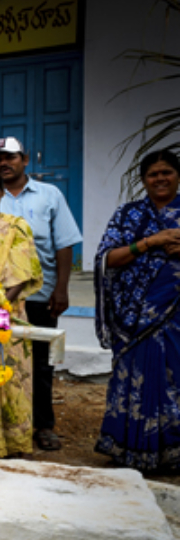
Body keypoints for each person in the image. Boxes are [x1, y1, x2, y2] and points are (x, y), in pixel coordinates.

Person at [0, 137, 82, 452]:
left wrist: (61, 287)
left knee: (41, 365)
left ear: (25, 159)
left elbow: (64, 243)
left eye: (10, 157)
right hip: (1, 300)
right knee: (3, 359)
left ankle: (43, 426)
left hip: (41, 296)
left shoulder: (49, 195)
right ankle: (5, 424)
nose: (4, 163)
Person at [94, 150, 180, 470]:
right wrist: (151, 241)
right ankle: (128, 448)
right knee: (133, 380)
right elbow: (107, 260)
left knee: (174, 379)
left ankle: (172, 453)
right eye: (152, 174)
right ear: (143, 180)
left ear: (177, 175)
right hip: (132, 319)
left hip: (175, 316)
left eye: (166, 172)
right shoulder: (128, 215)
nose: (159, 179)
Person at [0, 170, 44, 459]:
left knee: (9, 373)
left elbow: (21, 274)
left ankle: (11, 444)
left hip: (5, 314)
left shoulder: (16, 227)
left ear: (1, 192)